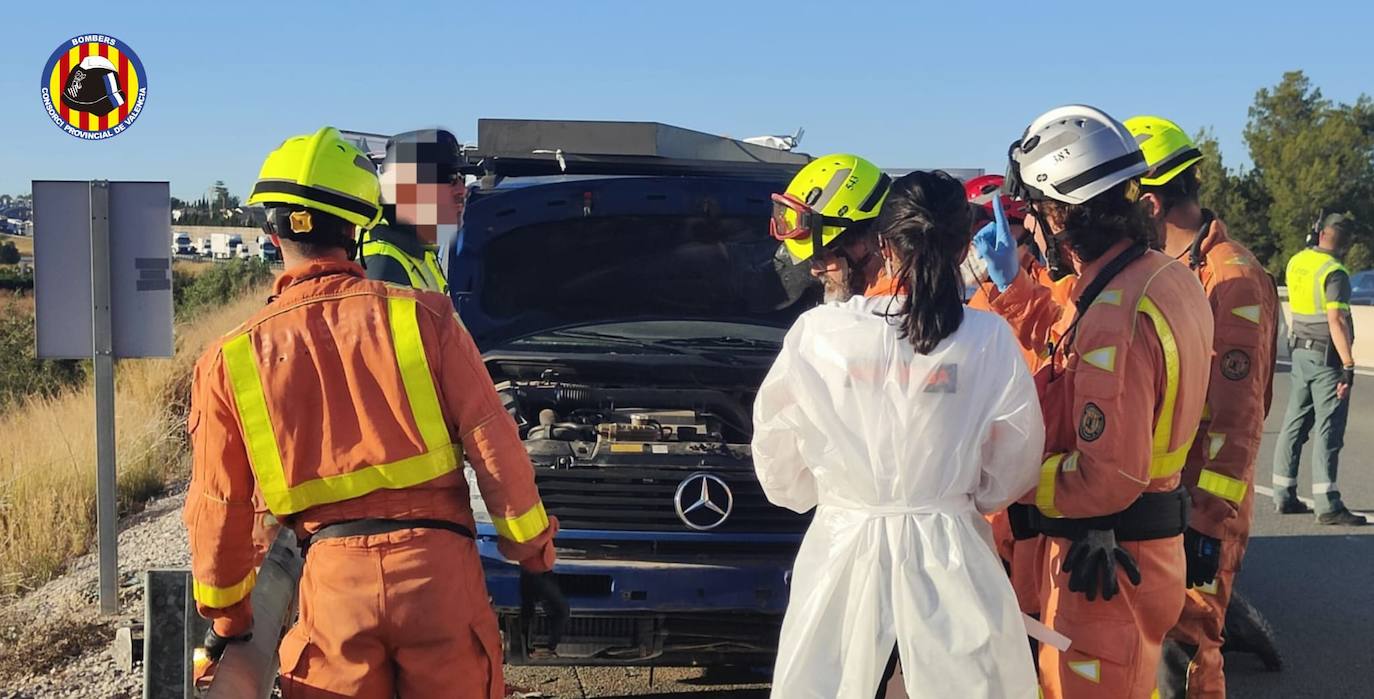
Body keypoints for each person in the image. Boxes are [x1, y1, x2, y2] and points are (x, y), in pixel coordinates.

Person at [184, 126, 566, 698]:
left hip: (335, 592)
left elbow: (219, 509)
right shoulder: (428, 319)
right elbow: (497, 451)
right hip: (441, 581)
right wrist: (535, 564)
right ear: (358, 223)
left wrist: (228, 620)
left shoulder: (230, 359)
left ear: (272, 228)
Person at [754, 170, 1044, 698]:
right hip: (952, 556)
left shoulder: (817, 336)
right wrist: (955, 496)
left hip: (844, 552)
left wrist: (842, 493)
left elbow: (779, 471)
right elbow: (1014, 466)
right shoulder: (988, 339)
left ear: (883, 245)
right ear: (963, 249)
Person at [975, 105, 1214, 699]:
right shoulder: (1160, 275)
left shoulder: (1116, 314)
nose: (1028, 228)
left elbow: (1107, 476)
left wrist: (1009, 477)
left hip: (1106, 567)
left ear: (1058, 214)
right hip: (1136, 555)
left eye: (1033, 213)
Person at [1126, 115, 1280, 698]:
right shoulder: (1166, 272)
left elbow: (1236, 426)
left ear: (1149, 203)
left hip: (1200, 506)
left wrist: (1205, 526)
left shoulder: (1231, 279)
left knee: (1184, 649)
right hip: (1163, 499)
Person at [1271, 213, 1367, 525]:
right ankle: (1328, 504)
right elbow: (1336, 320)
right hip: (1327, 359)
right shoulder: (1336, 273)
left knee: (1294, 422)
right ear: (1346, 243)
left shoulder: (1298, 261)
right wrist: (1348, 366)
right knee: (1329, 428)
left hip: (1299, 351)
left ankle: (1283, 493)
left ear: (1319, 233)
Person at [770, 153, 892, 302]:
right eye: (811, 260)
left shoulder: (888, 316)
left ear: (865, 242)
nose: (815, 271)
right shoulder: (912, 304)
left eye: (822, 256)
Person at [360, 128, 464, 293]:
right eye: (448, 179)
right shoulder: (384, 266)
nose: (461, 190)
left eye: (460, 178)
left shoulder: (419, 249)